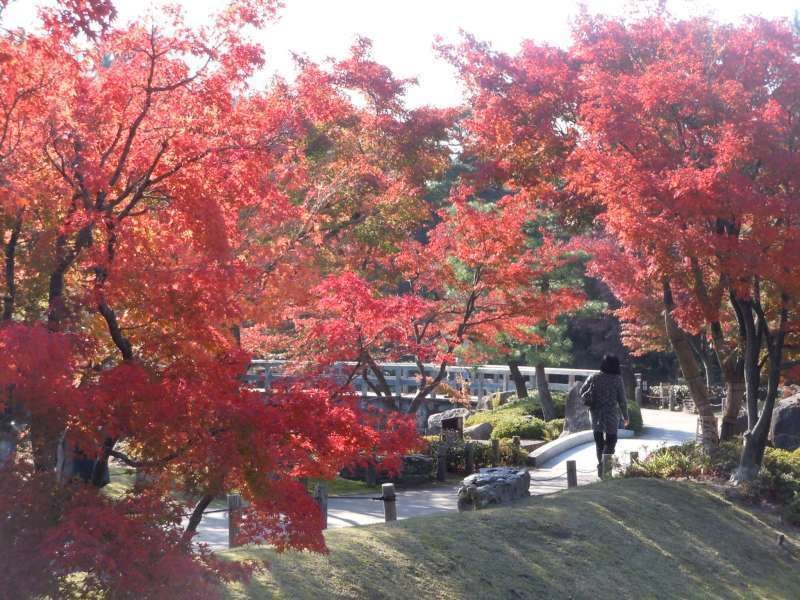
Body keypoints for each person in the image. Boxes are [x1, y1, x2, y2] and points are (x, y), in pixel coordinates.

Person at [580, 354, 629, 476]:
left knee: (599, 442)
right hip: (611, 414)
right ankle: (604, 467)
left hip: (595, 413)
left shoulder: (594, 377)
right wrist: (626, 416)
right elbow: (622, 400)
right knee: (611, 440)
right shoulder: (617, 379)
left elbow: (582, 391)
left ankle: (602, 468)